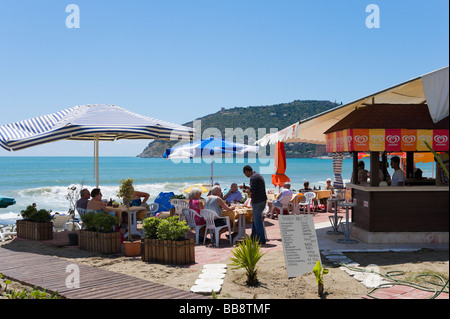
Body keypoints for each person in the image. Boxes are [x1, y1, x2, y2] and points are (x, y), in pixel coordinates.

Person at [242, 165, 267, 244]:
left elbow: (252, 191)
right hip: (262, 200)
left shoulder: (253, 178)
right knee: (254, 220)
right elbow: (255, 188)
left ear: (247, 171)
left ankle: (261, 240)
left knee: (257, 221)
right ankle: (253, 238)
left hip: (258, 201)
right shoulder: (257, 175)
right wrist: (247, 187)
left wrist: (245, 191)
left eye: (245, 174)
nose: (246, 175)